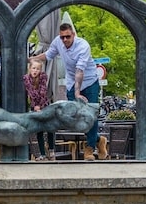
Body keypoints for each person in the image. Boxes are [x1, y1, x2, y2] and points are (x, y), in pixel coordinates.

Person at [30, 22, 107, 160]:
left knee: (90, 113)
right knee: (76, 119)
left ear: (73, 35)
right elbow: (48, 55)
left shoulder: (83, 46)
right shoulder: (58, 42)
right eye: (62, 37)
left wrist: (78, 93)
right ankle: (98, 140)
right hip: (72, 83)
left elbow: (80, 71)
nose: (65, 40)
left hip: (89, 82)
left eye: (67, 37)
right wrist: (32, 59)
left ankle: (89, 149)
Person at [23, 59, 56, 160]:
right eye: (33, 68)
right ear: (29, 68)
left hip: (44, 105)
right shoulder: (27, 79)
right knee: (39, 130)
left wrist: (40, 106)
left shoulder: (43, 77)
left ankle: (51, 150)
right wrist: (35, 106)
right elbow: (31, 92)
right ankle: (42, 153)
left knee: (50, 127)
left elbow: (43, 92)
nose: (35, 71)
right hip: (35, 106)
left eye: (37, 69)